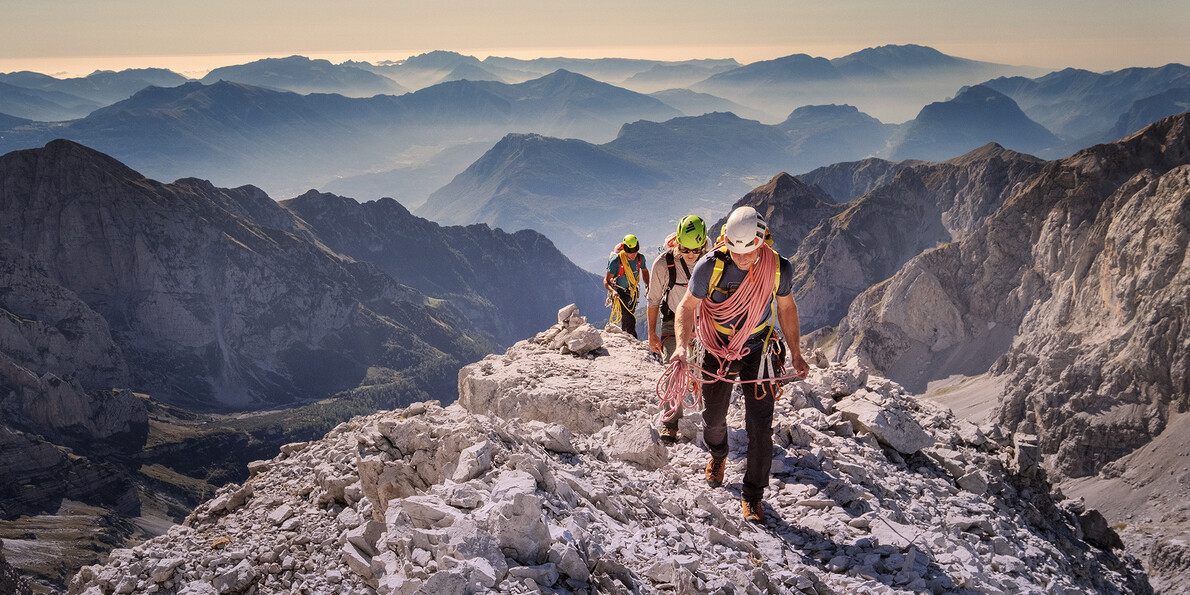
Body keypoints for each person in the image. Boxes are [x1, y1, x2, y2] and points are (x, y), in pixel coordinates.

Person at [670, 206, 810, 523]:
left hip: (759, 347)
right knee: (714, 418)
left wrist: (796, 353)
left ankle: (753, 495)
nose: (742, 259)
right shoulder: (710, 266)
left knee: (760, 427)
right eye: (736, 251)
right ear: (727, 242)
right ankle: (718, 454)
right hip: (716, 344)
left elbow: (787, 309)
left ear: (762, 243)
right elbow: (687, 306)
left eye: (749, 252)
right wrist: (680, 346)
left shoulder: (777, 269)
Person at [646, 215, 708, 443]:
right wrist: (652, 333)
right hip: (674, 322)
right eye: (685, 249)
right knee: (675, 369)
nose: (691, 254)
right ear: (677, 243)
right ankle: (670, 422)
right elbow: (653, 301)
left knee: (704, 371)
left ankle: (708, 420)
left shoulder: (713, 260)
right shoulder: (663, 264)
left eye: (696, 249)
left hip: (704, 323)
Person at [604, 234, 649, 338]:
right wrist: (613, 291)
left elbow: (645, 272)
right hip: (619, 292)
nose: (633, 255)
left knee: (629, 314)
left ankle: (625, 336)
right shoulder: (616, 261)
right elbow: (606, 280)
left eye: (635, 251)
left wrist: (647, 286)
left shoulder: (640, 258)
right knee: (628, 317)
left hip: (632, 291)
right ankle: (631, 338)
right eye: (629, 252)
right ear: (624, 249)